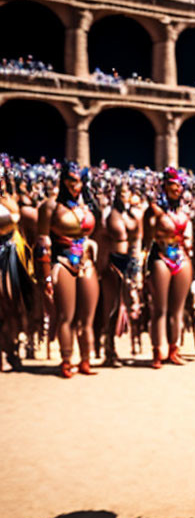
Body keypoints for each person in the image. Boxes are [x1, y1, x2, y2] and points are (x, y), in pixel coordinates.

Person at [36, 162, 100, 378]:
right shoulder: (50, 207)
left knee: (87, 318)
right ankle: (66, 361)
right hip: (62, 261)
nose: (76, 185)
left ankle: (85, 360)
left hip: (86, 262)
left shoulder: (85, 205)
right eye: (72, 180)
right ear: (63, 181)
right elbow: (43, 242)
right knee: (67, 316)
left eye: (80, 180)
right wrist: (45, 276)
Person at [143, 168, 192, 368]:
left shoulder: (184, 211)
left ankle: (174, 349)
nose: (177, 188)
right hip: (160, 256)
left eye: (180, 184)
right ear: (165, 185)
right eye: (173, 183)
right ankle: (157, 351)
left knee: (177, 310)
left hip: (181, 257)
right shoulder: (153, 210)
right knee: (159, 309)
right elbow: (146, 239)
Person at [98, 181, 143, 366]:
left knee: (133, 305)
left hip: (130, 262)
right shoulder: (108, 213)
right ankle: (109, 348)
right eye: (120, 192)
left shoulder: (133, 214)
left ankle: (134, 346)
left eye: (126, 192)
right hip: (112, 262)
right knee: (112, 307)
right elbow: (101, 237)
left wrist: (137, 268)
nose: (123, 195)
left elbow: (138, 241)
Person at [0, 168, 34, 371]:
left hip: (12, 253)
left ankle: (13, 348)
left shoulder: (9, 198)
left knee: (15, 304)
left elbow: (18, 217)